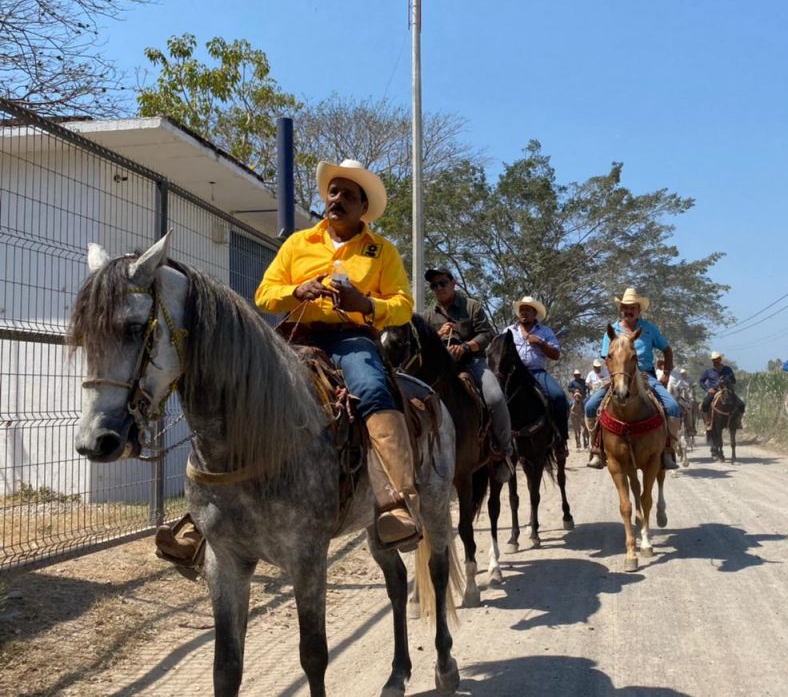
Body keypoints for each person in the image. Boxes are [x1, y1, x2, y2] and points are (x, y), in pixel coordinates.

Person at [156, 159, 422, 567]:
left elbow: (404, 306)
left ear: (363, 207)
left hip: (352, 337)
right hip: (298, 334)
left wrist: (365, 303)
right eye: (333, 192)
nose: (337, 200)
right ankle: (201, 521)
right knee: (241, 391)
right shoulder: (299, 243)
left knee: (371, 388)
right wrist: (298, 291)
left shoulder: (380, 251)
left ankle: (398, 504)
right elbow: (265, 294)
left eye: (349, 195)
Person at [422, 267, 514, 481]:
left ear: (453, 283)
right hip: (440, 367)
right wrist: (437, 335)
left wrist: (465, 347)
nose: (438, 288)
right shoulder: (427, 315)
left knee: (495, 397)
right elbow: (423, 344)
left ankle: (503, 450)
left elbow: (486, 334)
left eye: (442, 283)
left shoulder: (471, 307)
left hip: (472, 362)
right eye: (434, 285)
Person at [584, 287, 681, 470]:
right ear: (621, 309)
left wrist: (666, 373)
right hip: (618, 377)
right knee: (590, 406)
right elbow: (607, 357)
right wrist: (615, 376)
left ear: (639, 310)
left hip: (646, 376)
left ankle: (668, 450)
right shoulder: (611, 331)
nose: (628, 311)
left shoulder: (649, 329)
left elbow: (667, 350)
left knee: (673, 407)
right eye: (625, 307)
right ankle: (597, 448)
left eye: (632, 307)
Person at [502, 296, 569, 453]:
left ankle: (561, 440)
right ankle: (494, 442)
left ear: (534, 313)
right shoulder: (508, 331)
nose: (524, 313)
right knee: (493, 399)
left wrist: (540, 343)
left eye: (528, 310)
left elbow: (556, 354)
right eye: (522, 310)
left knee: (559, 397)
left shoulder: (545, 331)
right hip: (513, 375)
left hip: (536, 373)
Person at [699, 351, 746, 425]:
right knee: (704, 404)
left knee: (741, 405)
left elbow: (734, 381)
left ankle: (738, 421)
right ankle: (707, 421)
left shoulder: (727, 369)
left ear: (720, 359)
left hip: (727, 391)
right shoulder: (708, 371)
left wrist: (728, 381)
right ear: (712, 361)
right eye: (714, 360)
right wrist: (707, 389)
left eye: (717, 359)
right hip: (714, 391)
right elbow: (701, 381)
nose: (715, 361)